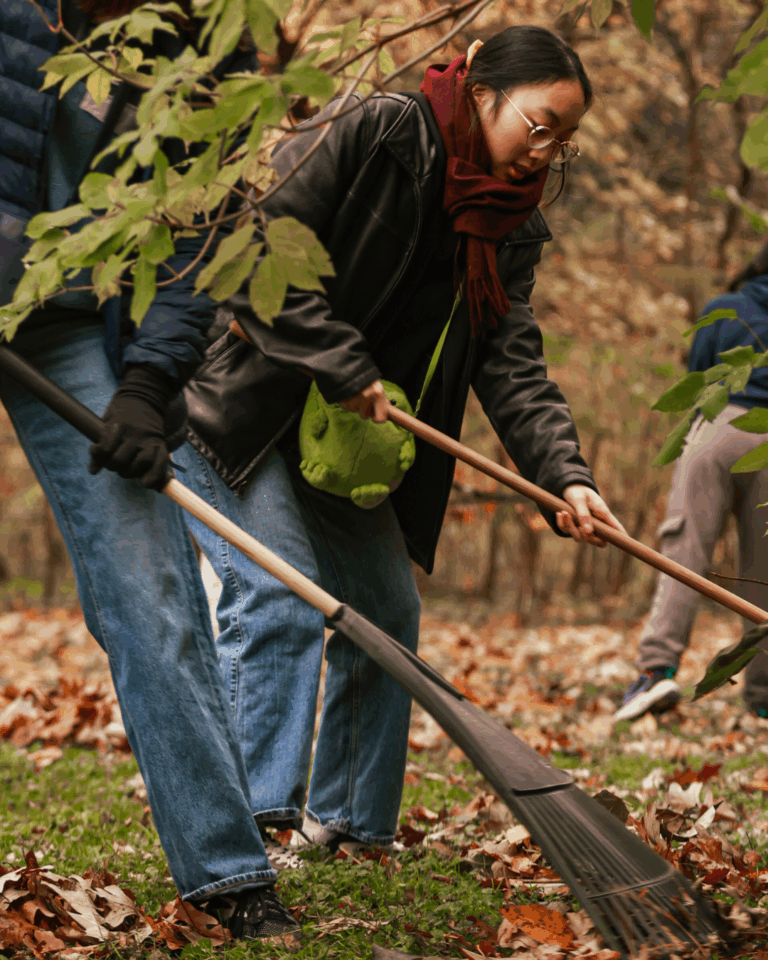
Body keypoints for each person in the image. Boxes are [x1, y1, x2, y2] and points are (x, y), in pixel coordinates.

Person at [176, 25, 626, 856]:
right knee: (280, 594)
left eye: (564, 140)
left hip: (351, 446)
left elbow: (512, 363)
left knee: (384, 614)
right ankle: (247, 834)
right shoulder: (376, 129)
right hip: (242, 410)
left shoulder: (511, 229)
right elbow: (258, 250)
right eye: (540, 125)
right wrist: (344, 364)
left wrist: (566, 475)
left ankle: (347, 828)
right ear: (485, 93)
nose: (548, 152)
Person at [0, 0, 301, 944]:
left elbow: (198, 242)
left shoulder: (214, 47)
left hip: (78, 327)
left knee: (152, 586)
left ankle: (226, 871)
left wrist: (147, 383)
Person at [615, 243, 768, 723]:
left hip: (720, 427)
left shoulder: (727, 307)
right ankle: (763, 693)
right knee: (762, 570)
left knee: (685, 549)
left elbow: (698, 377)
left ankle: (656, 669)